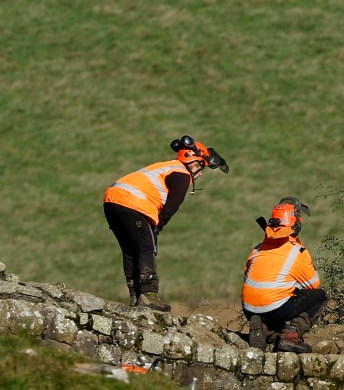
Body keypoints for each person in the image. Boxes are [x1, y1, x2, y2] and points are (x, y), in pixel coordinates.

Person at [103, 135, 229, 311]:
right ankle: (148, 295)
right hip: (132, 203)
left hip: (111, 201)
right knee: (147, 248)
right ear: (193, 161)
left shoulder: (166, 166)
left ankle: (135, 296)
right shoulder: (182, 174)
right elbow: (172, 205)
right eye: (201, 166)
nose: (201, 173)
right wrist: (158, 226)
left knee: (131, 250)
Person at [242, 197, 326, 353]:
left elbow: (247, 275)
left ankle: (264, 329)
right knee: (319, 297)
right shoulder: (297, 252)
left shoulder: (258, 248)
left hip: (249, 308)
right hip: (275, 307)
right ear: (296, 225)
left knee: (278, 301)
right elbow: (314, 284)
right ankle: (291, 335)